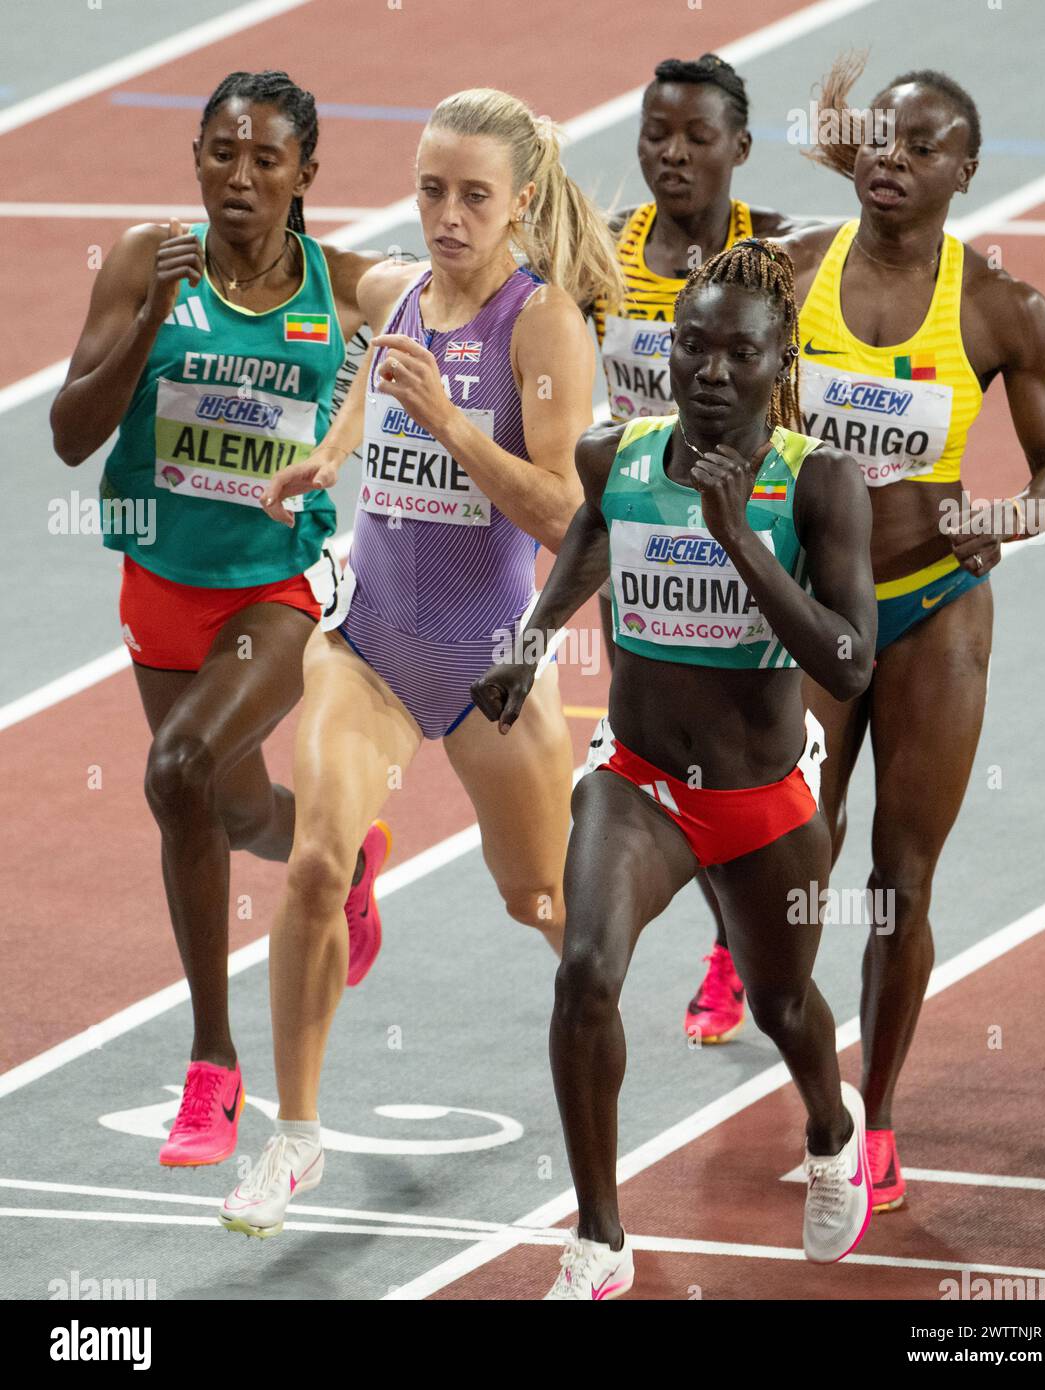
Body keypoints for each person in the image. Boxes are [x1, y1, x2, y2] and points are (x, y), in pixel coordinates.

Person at [217, 88, 624, 1238]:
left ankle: (720, 1018)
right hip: (373, 645)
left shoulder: (544, 328)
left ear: (521, 203)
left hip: (492, 663)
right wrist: (325, 452)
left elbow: (562, 517)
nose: (447, 216)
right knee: (311, 867)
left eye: (474, 197)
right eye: (431, 189)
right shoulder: (400, 296)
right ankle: (291, 1135)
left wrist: (452, 424)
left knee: (541, 901)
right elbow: (341, 304)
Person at [474, 240, 878, 1298]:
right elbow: (588, 539)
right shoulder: (621, 457)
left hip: (762, 797)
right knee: (586, 972)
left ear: (779, 360)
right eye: (689, 345)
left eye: (736, 353)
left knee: (785, 1005)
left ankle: (834, 1132)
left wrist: (740, 538)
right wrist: (530, 639)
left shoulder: (821, 485)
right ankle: (601, 1240)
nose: (707, 370)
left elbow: (849, 655)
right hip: (640, 784)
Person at [50, 71, 387, 1168]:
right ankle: (350, 853)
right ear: (195, 159)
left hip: (276, 587)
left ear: (306, 176)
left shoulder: (340, 287)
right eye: (220, 156)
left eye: (266, 160)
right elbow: (67, 433)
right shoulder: (149, 260)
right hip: (161, 583)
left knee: (177, 768)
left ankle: (212, 1066)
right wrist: (150, 319)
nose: (239, 179)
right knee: (235, 812)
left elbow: (466, 305)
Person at [774, 60, 1045, 1211]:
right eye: (878, 139)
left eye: (920, 144)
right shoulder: (795, 272)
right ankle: (810, 1082)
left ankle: (876, 1114)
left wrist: (1004, 516)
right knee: (792, 857)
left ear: (965, 171)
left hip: (933, 608)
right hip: (814, 604)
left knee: (898, 881)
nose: (892, 156)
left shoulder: (1002, 308)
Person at [589, 52, 800, 1046]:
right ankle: (727, 941)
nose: (670, 154)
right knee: (658, 749)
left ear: (739, 150)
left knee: (746, 761)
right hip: (642, 535)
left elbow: (886, 234)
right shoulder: (606, 253)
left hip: (752, 526)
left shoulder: (780, 254)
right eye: (655, 133)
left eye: (695, 137)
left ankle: (745, 947)